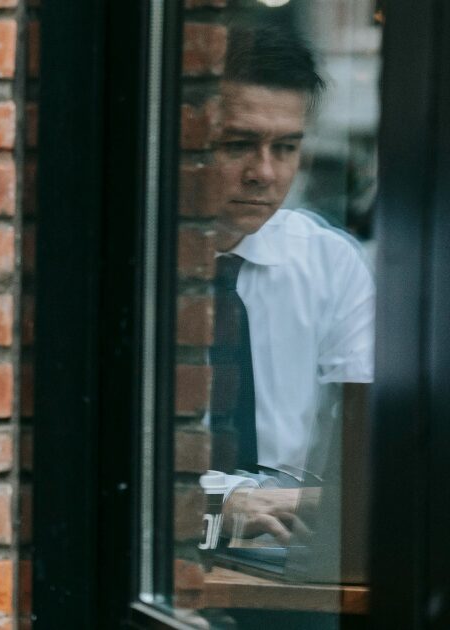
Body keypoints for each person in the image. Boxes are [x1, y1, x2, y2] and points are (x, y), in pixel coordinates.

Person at [203, 23, 375, 544]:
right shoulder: (140, 268)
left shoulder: (331, 265)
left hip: (293, 559)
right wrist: (219, 505)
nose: (265, 173)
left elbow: (364, 458)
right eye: (239, 144)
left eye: (285, 147)